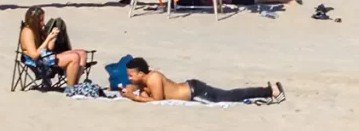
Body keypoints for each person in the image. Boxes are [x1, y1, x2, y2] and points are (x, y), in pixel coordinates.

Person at [121, 57, 284, 104]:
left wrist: (134, 97)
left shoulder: (154, 78)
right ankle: (267, 90)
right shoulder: (144, 81)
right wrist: (130, 90)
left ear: (141, 73)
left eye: (131, 75)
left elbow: (156, 99)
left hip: (196, 92)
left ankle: (269, 91)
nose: (129, 78)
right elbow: (142, 93)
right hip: (192, 88)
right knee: (229, 95)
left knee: (230, 96)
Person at [18, 7, 91, 87]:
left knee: (82, 53)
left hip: (45, 56)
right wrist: (48, 39)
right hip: (38, 62)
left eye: (43, 20)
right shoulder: (27, 32)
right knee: (74, 57)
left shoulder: (38, 29)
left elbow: (49, 47)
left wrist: (53, 37)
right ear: (34, 21)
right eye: (40, 20)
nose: (42, 23)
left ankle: (74, 84)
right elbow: (34, 55)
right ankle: (70, 88)